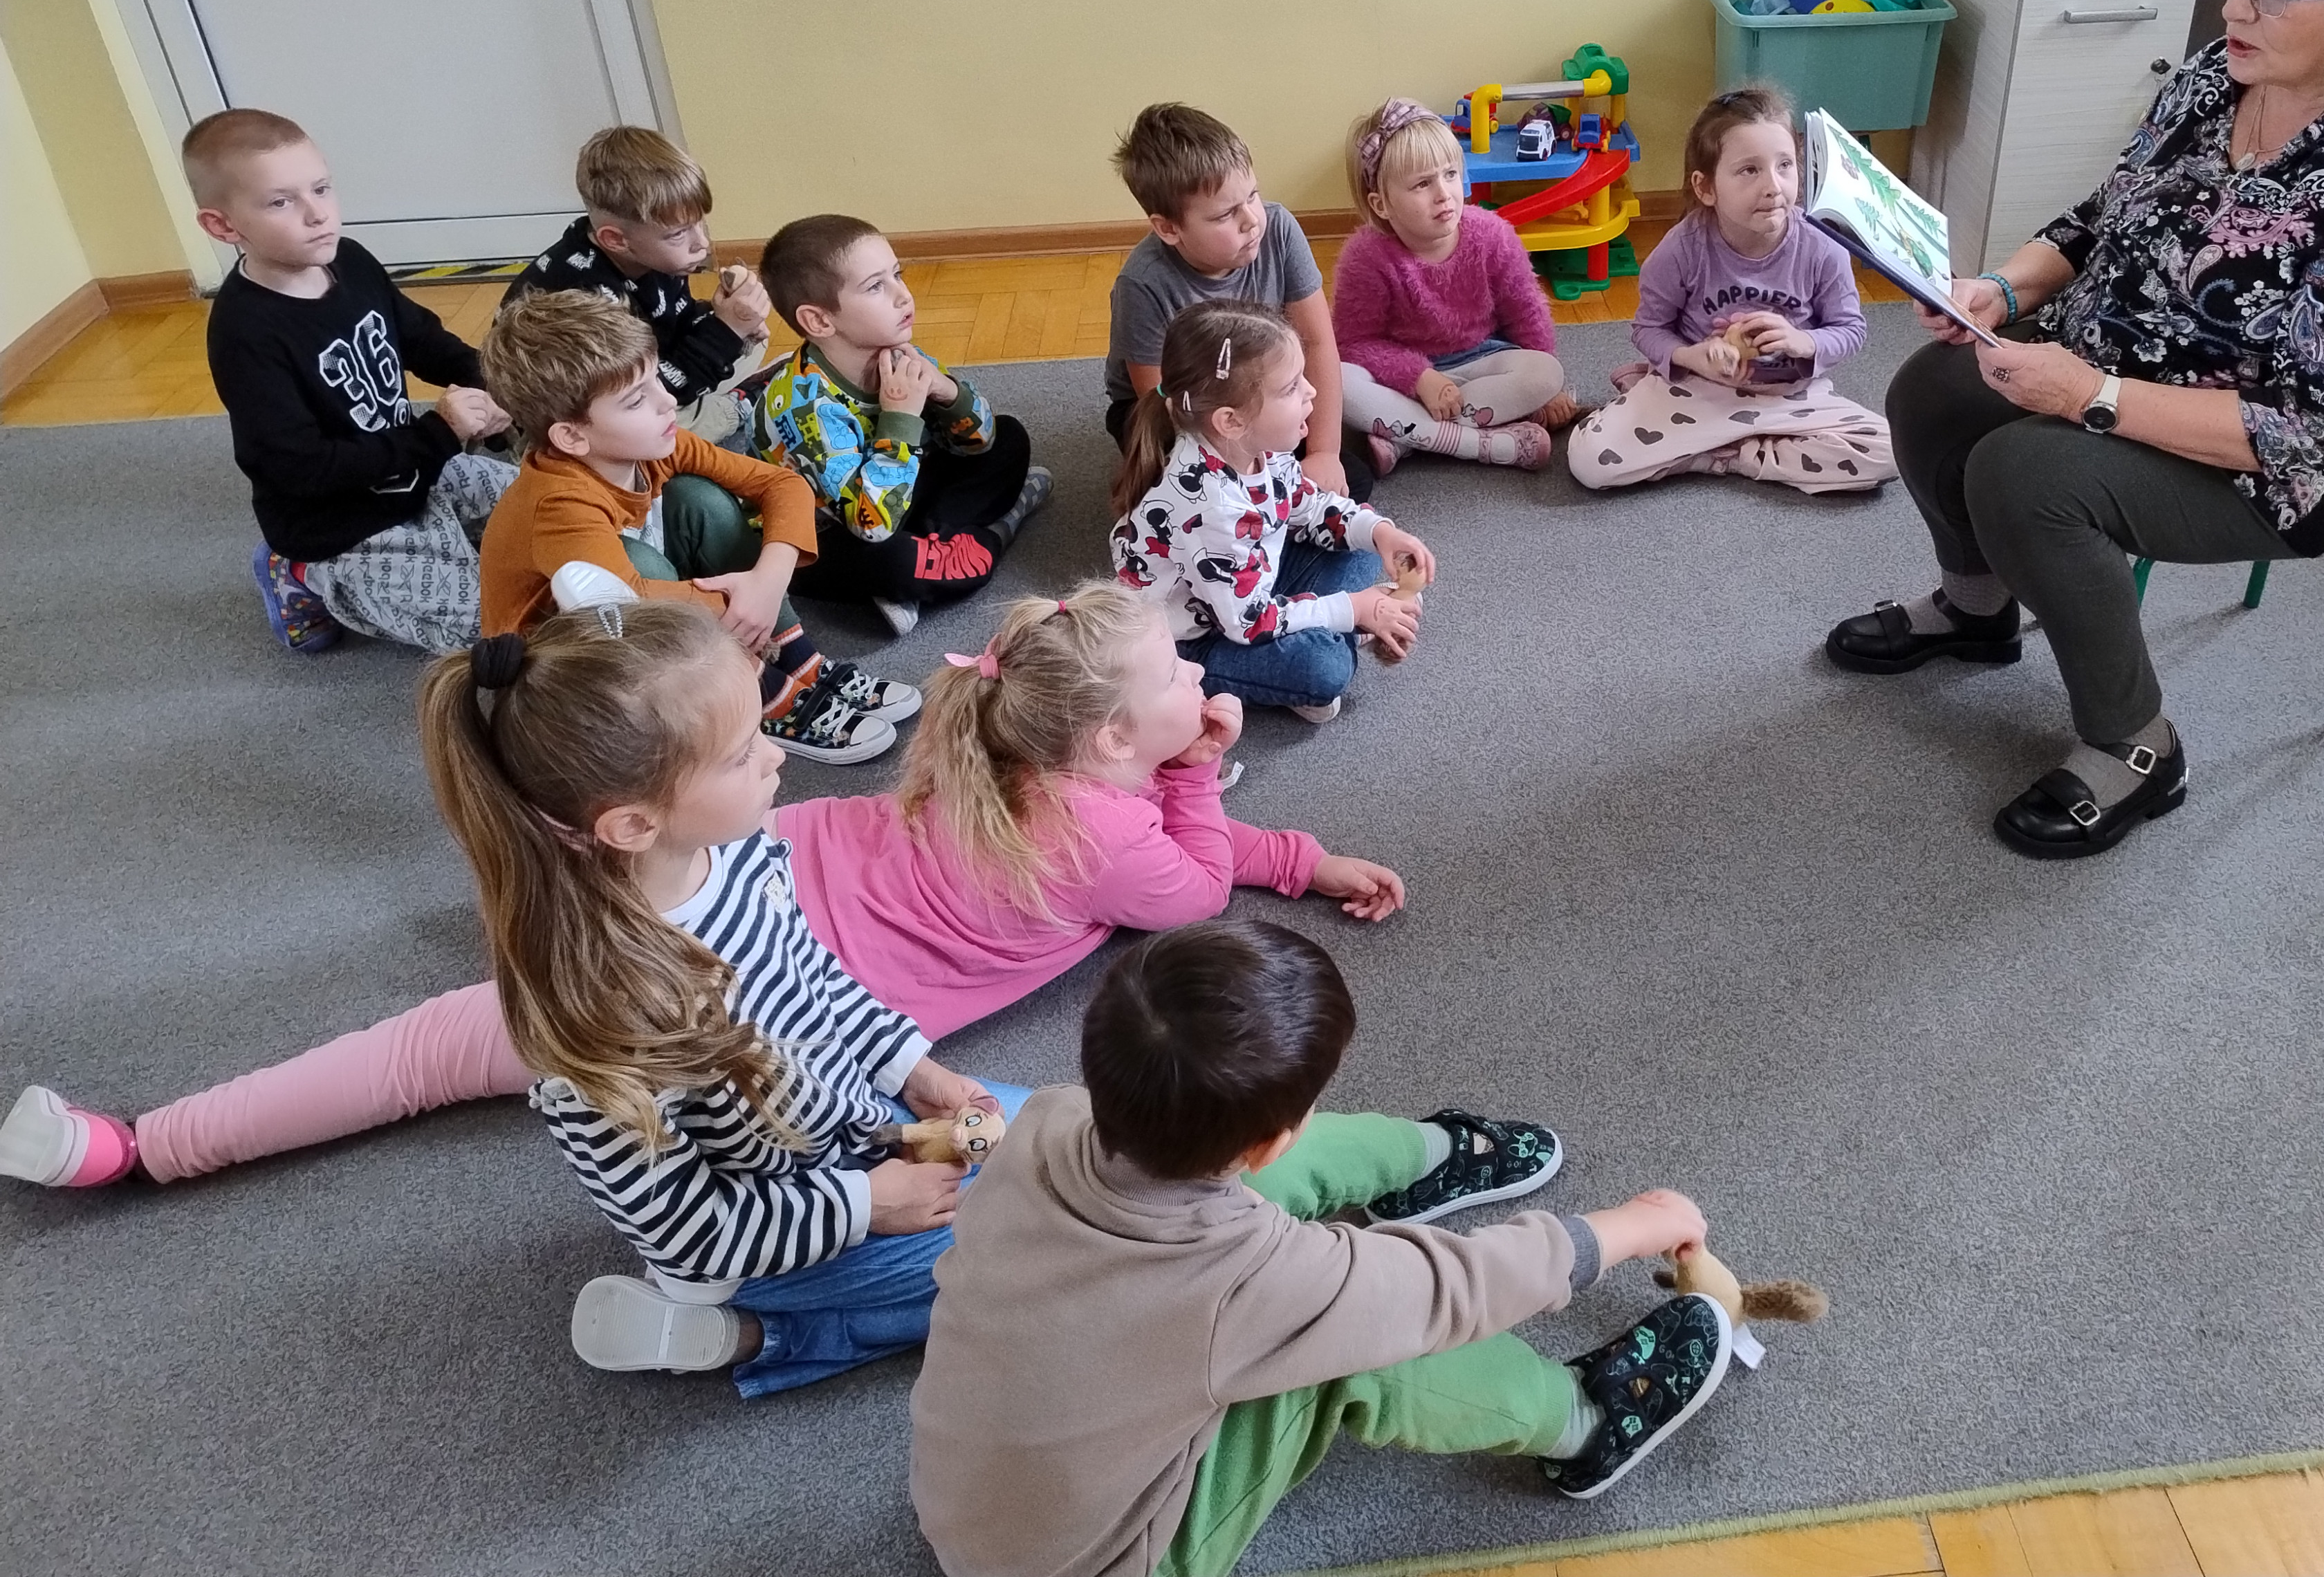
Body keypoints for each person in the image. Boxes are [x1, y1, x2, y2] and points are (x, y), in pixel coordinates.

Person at [0, 584, 1399, 1192]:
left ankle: (151, 1141)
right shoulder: (1113, 831)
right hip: (717, 1003)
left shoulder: (988, 753)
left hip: (775, 904)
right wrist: (1209, 777)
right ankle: (153, 1145)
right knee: (432, 1051)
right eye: (746, 744)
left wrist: (1289, 843)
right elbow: (1191, 886)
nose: (780, 745)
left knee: (429, 1039)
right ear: (1107, 741)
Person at [1825, 0, 2324, 858]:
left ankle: (2138, 745)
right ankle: (1976, 609)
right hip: (2118, 353)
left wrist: (2089, 396)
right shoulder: (2221, 74)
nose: (2239, 2)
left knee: (2027, 474)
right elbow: (2105, 214)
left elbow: (2301, 426)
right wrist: (2003, 289)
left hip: (2294, 465)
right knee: (1933, 388)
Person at [910, 921, 1734, 1577]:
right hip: (1111, 1561)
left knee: (1228, 1181)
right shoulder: (1247, 1284)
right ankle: (1585, 1422)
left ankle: (1427, 1155)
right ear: (1271, 1140)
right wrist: (1624, 1227)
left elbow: (1230, 1169)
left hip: (967, 1508)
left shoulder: (1054, 1115)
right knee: (1352, 1346)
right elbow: (1446, 1288)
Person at [423, 603, 1028, 1394]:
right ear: (635, 823)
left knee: (1036, 1135)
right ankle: (737, 1332)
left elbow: (815, 977)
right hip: (763, 1235)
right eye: (743, 753)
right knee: (1015, 1265)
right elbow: (685, 1228)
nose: (777, 755)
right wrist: (865, 1205)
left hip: (852, 1137)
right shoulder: (605, 1016)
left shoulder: (737, 850)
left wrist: (914, 1071)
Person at [477, 290, 910, 765]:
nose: (668, 403)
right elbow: (630, 608)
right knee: (639, 564)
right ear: (572, 436)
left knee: (699, 500)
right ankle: (761, 695)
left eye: (656, 378)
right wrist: (744, 602)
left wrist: (767, 583)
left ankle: (798, 658)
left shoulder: (654, 443)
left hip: (635, 616)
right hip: (566, 668)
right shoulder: (559, 501)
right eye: (636, 399)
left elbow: (784, 485)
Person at [194, 108, 517, 655]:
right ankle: (301, 573)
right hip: (342, 522)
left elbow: (419, 338)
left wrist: (498, 385)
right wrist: (439, 433)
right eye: (281, 201)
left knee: (556, 511)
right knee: (491, 632)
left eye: (321, 188)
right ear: (224, 226)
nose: (318, 214)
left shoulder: (350, 259)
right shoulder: (245, 334)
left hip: (419, 471)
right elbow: (300, 466)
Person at [1111, 299, 1433, 723]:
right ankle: (1333, 640)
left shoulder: (1260, 446)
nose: (1311, 391)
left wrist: (1380, 534)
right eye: (1291, 388)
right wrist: (1353, 611)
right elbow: (1248, 624)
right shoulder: (1212, 508)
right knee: (1324, 671)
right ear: (1230, 421)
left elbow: (1308, 505)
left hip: (1243, 581)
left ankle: (1344, 621)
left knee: (1361, 541)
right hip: (1199, 636)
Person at [1569, 86, 1894, 495]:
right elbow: (1647, 329)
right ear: (1706, 188)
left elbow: (1850, 330)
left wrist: (1803, 341)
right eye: (1749, 170)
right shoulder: (1682, 249)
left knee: (1889, 452)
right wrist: (1693, 357)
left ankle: (1730, 456)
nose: (1774, 186)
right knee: (1589, 459)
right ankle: (1737, 447)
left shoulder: (1823, 247)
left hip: (1789, 399)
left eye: (1785, 165)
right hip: (1699, 392)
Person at [748, 212, 1048, 637]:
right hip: (830, 534)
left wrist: (948, 392)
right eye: (875, 286)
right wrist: (900, 421)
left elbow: (978, 443)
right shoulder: (802, 408)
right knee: (900, 561)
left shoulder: (896, 351)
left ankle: (933, 552)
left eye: (897, 275)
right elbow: (870, 525)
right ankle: (999, 528)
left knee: (1009, 437)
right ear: (819, 321)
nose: (903, 296)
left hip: (895, 492)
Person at [1101, 102, 1372, 497]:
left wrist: (1324, 452)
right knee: (1174, 497)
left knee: (1351, 479)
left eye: (1253, 196)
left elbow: (1316, 342)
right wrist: (1247, 467)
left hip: (1260, 383)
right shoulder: (1143, 285)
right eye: (1226, 214)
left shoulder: (1278, 229)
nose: (1251, 219)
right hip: (1173, 408)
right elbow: (1162, 401)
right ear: (1169, 228)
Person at [1329, 96, 1578, 475]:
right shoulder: (1365, 257)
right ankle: (1484, 444)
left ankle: (1408, 437)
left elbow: (1528, 315)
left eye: (1450, 174)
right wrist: (1420, 378)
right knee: (1340, 382)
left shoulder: (1492, 234)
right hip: (1406, 379)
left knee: (1546, 372)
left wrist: (1547, 392)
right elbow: (1353, 344)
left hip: (1482, 363)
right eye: (1422, 184)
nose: (1444, 193)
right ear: (1381, 205)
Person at [500, 124, 773, 446]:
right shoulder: (589, 300)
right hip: (585, 417)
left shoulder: (655, 256)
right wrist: (726, 332)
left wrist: (725, 321)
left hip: (641, 373)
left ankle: (718, 398)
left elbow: (671, 324)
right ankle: (734, 407)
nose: (702, 243)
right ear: (616, 240)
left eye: (700, 223)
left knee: (752, 339)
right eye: (678, 234)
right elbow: (641, 394)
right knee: (674, 431)